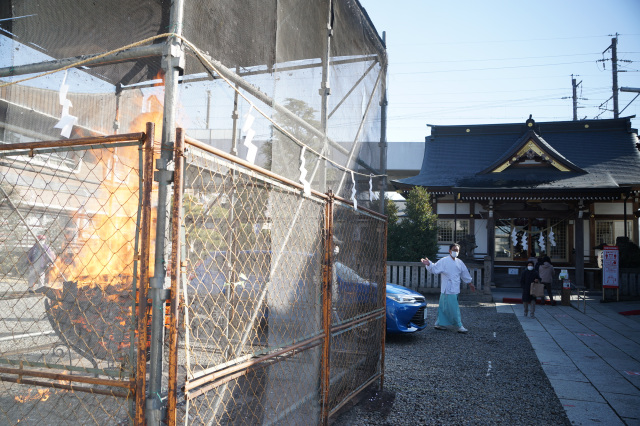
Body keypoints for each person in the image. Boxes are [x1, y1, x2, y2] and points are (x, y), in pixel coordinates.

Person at [420, 244, 475, 333]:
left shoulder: (459, 262)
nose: (455, 252)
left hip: (455, 288)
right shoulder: (444, 261)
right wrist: (429, 264)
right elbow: (434, 268)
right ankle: (459, 325)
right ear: (449, 251)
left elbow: (464, 273)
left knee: (444, 307)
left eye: (457, 250)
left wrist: (470, 283)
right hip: (447, 289)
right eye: (454, 250)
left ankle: (439, 323)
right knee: (454, 308)